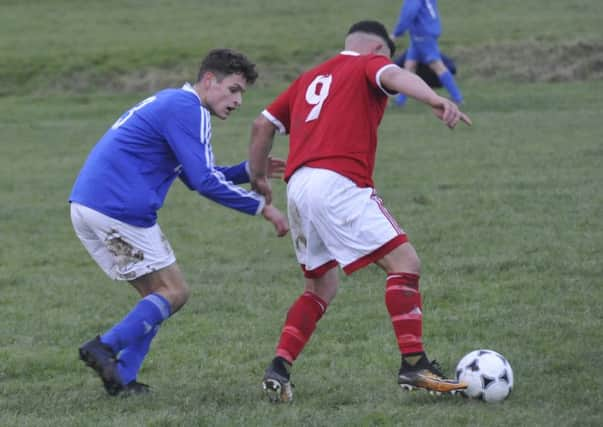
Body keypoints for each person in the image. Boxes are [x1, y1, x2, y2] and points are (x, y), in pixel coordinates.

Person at [248, 20, 471, 403]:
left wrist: (257, 177)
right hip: (339, 181)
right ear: (378, 50)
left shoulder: (309, 78)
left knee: (320, 286)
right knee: (405, 262)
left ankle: (279, 369)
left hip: (298, 187)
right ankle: (414, 364)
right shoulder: (368, 63)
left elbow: (261, 125)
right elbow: (395, 76)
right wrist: (434, 99)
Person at [69, 48, 289, 396]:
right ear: (208, 80)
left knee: (157, 298)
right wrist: (261, 207)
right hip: (118, 209)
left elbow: (196, 173)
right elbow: (203, 182)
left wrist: (248, 171)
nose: (238, 101)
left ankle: (122, 377)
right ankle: (104, 347)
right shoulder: (189, 109)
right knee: (175, 292)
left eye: (242, 93)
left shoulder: (173, 104)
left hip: (90, 205)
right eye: (233, 90)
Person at [390, 0, 463, 106]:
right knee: (409, 66)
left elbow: (409, 12)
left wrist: (396, 33)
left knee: (437, 66)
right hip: (422, 33)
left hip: (422, 34)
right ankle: (400, 101)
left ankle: (457, 98)